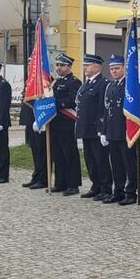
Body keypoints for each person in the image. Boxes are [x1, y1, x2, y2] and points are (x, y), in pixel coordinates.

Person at [100, 55, 140, 206]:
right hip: (112, 131)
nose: (114, 71)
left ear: (124, 68)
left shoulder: (130, 86)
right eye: (111, 69)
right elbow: (106, 110)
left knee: (129, 164)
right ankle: (118, 191)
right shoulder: (110, 86)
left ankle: (131, 193)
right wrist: (103, 131)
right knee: (116, 165)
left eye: (117, 68)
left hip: (126, 132)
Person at [76, 54, 112, 202]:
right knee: (90, 160)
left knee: (101, 160)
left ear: (97, 67)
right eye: (84, 65)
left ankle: (106, 188)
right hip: (85, 128)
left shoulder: (103, 83)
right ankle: (95, 186)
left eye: (88, 65)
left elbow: (102, 108)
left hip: (96, 128)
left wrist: (102, 128)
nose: (85, 68)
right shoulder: (86, 84)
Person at [50, 53, 83, 196]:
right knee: (57, 154)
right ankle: (60, 182)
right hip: (55, 123)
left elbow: (71, 101)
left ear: (69, 66)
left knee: (69, 154)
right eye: (57, 65)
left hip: (67, 123)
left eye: (62, 65)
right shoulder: (55, 82)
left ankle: (73, 184)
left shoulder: (74, 82)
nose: (59, 68)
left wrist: (54, 104)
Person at [21, 58, 48, 190]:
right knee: (34, 150)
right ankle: (36, 175)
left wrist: (40, 120)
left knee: (41, 151)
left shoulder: (45, 79)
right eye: (29, 63)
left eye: (33, 63)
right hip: (30, 120)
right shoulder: (30, 79)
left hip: (40, 120)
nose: (30, 65)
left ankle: (43, 178)